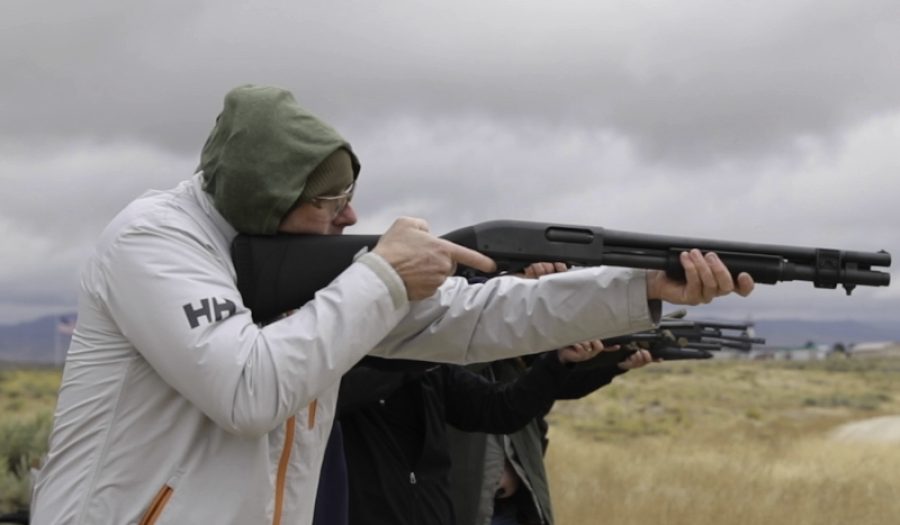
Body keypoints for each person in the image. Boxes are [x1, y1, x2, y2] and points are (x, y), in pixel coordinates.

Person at [29, 84, 753, 525]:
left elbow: (479, 318)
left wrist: (638, 290)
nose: (349, 220)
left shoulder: (305, 271)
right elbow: (247, 389)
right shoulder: (151, 240)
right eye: (329, 203)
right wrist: (377, 278)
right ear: (265, 203)